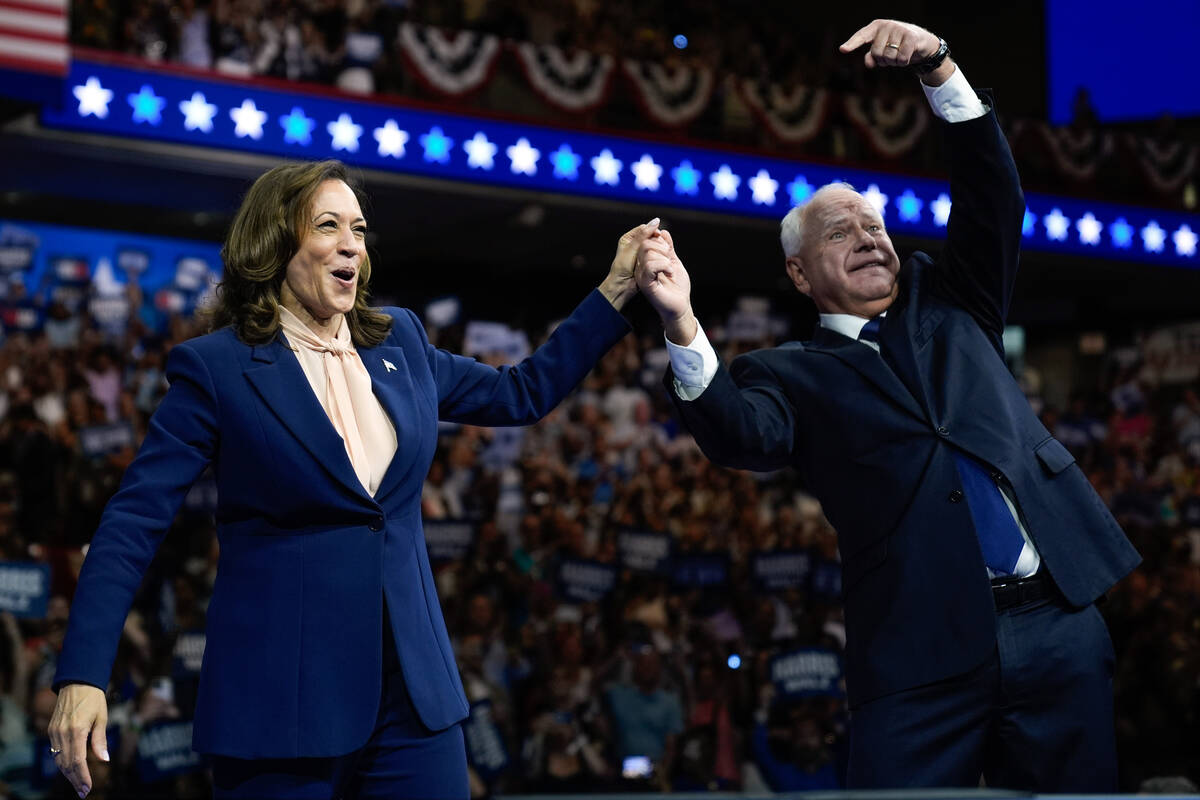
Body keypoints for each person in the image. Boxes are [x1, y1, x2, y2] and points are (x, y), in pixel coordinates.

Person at [47, 159, 661, 799]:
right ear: (276, 243)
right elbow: (133, 522)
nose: (351, 244)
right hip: (283, 707)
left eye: (359, 229)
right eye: (328, 226)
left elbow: (522, 393)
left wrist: (616, 289)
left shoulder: (401, 341)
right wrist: (85, 672)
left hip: (414, 702)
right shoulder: (217, 368)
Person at [635, 19, 1140, 792]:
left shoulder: (954, 297)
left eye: (874, 225)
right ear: (800, 276)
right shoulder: (786, 372)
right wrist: (681, 323)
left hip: (1056, 623)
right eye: (843, 231)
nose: (870, 237)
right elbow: (739, 435)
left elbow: (991, 197)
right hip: (916, 651)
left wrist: (938, 67)